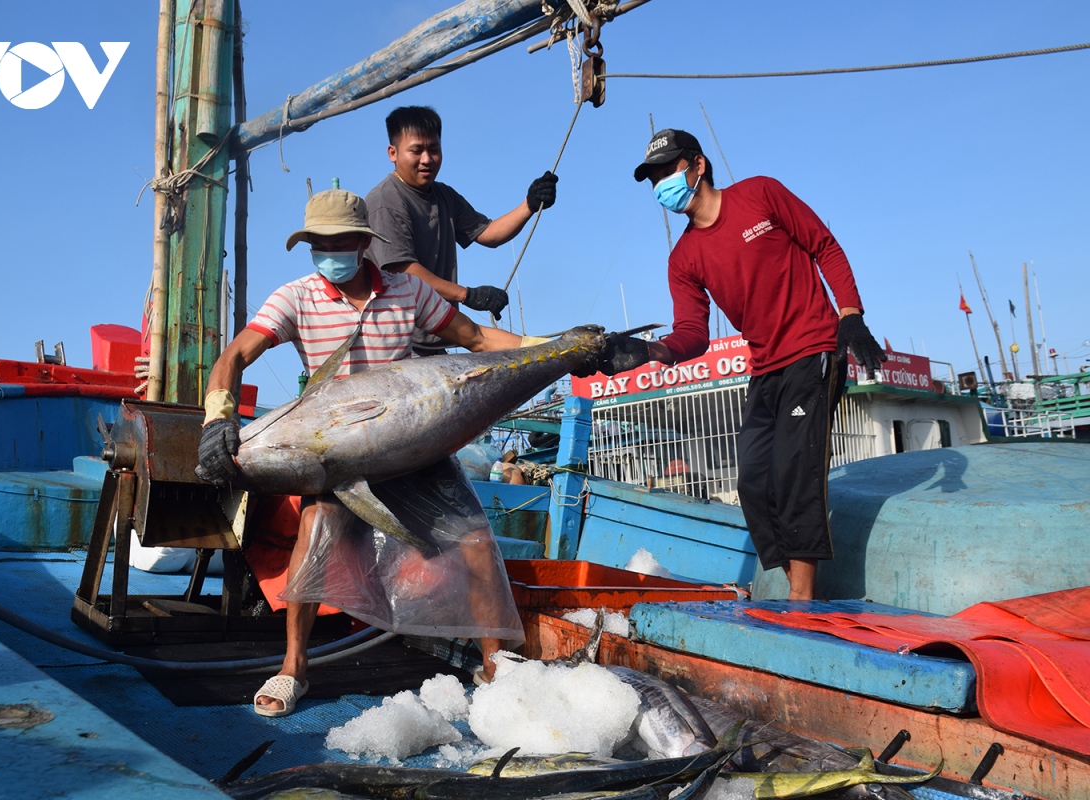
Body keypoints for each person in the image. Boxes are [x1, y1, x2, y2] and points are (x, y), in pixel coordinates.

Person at [196, 189, 541, 716]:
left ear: (362, 243)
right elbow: (237, 353)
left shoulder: (408, 291)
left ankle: (494, 662)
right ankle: (294, 667)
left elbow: (474, 338)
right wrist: (218, 416)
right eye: (316, 243)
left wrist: (558, 349)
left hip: (408, 448)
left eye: (336, 242)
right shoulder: (297, 297)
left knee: (474, 539)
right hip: (338, 455)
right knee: (315, 535)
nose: (325, 252)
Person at [601, 129, 886, 601]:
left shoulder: (760, 194)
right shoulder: (683, 258)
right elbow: (692, 334)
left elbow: (825, 246)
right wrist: (650, 352)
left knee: (795, 470)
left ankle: (802, 601)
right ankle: (796, 585)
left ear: (698, 165)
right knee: (753, 482)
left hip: (813, 348)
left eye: (666, 171)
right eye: (652, 178)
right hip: (766, 366)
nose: (660, 186)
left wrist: (850, 315)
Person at [365, 105, 559, 355]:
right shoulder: (385, 200)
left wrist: (529, 204)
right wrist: (468, 295)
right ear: (393, 153)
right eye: (416, 151)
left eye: (433, 150)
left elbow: (488, 234)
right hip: (397, 345)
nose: (426, 159)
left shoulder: (444, 195)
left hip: (437, 338)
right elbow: (404, 271)